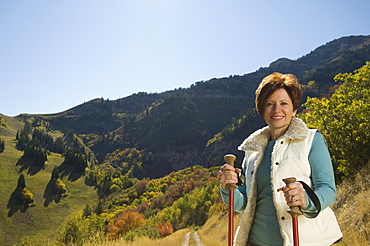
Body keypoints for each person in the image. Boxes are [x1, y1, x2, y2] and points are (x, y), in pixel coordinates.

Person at [219, 72, 342, 246]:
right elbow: (243, 204)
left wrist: (306, 200)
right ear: (262, 110)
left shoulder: (311, 140)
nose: (277, 110)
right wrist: (227, 187)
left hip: (304, 241)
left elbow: (328, 190)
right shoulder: (252, 152)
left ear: (294, 109)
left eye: (284, 103)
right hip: (255, 242)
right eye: (270, 104)